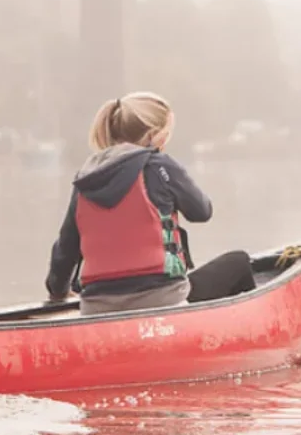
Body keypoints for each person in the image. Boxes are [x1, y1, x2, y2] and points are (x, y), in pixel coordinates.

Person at [45, 91, 257, 315]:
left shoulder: (86, 179)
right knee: (240, 262)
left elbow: (64, 251)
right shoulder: (159, 165)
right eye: (167, 132)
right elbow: (202, 211)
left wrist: (58, 293)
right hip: (162, 301)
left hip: (97, 309)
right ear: (154, 136)